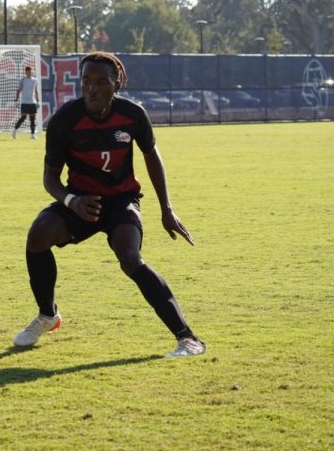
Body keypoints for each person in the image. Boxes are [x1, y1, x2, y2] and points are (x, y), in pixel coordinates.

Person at [13, 51, 205, 358]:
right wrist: (72, 201)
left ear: (116, 84)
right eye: (87, 81)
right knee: (38, 235)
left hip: (121, 201)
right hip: (81, 201)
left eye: (101, 82)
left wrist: (166, 210)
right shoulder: (64, 121)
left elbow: (151, 156)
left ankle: (188, 338)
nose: (92, 88)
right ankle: (48, 315)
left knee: (130, 258)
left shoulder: (132, 115)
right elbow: (50, 180)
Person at [12, 65, 40, 139]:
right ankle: (15, 130)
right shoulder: (23, 80)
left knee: (33, 118)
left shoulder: (35, 80)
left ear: (32, 71)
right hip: (24, 102)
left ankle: (32, 134)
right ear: (25, 72)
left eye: (30, 71)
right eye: (28, 72)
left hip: (32, 102)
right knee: (23, 117)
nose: (29, 73)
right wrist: (16, 100)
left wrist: (38, 101)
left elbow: (36, 91)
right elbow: (18, 90)